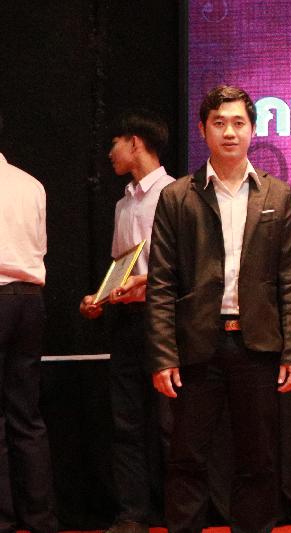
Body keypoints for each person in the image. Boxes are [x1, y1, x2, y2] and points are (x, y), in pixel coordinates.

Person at [146, 85, 291, 533]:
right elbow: (161, 283)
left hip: (257, 346)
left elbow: (290, 280)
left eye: (239, 123)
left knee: (258, 459)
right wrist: (163, 355)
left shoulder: (277, 194)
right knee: (186, 458)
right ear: (203, 130)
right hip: (196, 345)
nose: (230, 132)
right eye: (219, 123)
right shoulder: (177, 196)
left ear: (253, 129)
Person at [79, 111, 174, 533]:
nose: (109, 153)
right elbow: (120, 266)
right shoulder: (122, 203)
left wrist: (145, 284)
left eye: (114, 143)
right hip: (125, 322)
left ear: (134, 142)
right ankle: (132, 514)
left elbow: (187, 268)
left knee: (171, 423)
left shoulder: (176, 194)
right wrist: (100, 298)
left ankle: (178, 512)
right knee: (126, 423)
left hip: (164, 319)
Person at [0, 109, 58, 533]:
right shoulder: (31, 183)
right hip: (30, 300)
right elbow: (41, 247)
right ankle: (40, 519)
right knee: (27, 415)